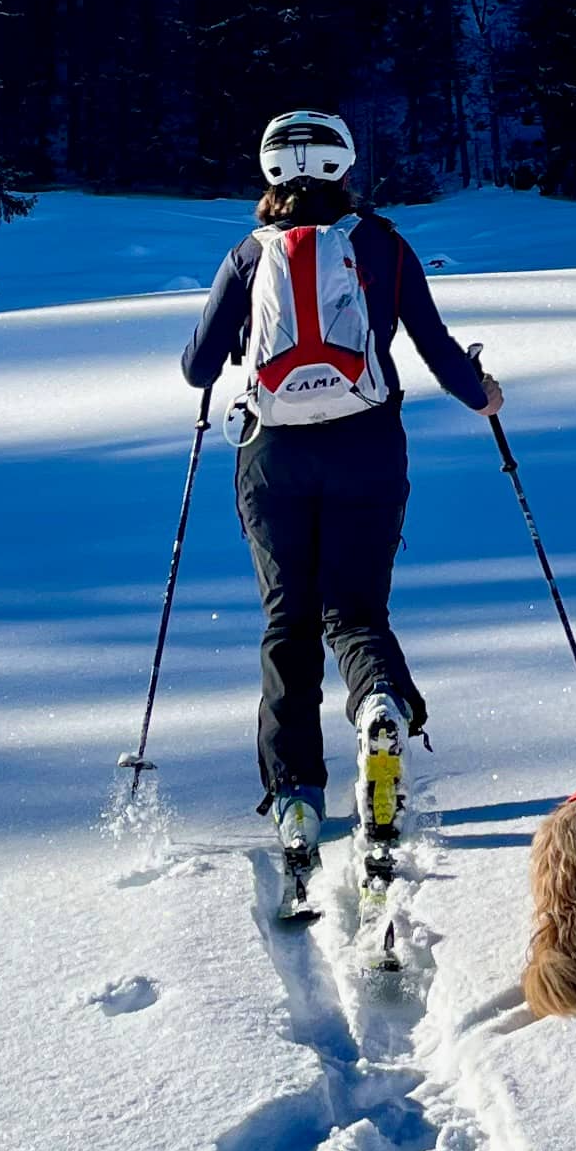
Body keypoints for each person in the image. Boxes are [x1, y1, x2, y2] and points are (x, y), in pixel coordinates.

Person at [180, 107, 501, 911]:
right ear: (344, 166)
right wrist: (482, 393)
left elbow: (196, 369)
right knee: (356, 613)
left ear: (270, 173)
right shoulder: (383, 246)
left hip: (272, 456)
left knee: (289, 623)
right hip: (368, 447)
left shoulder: (248, 254)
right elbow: (433, 346)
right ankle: (380, 706)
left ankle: (295, 795)